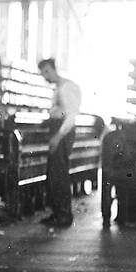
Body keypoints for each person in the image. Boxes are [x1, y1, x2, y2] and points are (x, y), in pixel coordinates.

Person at [38, 58, 82, 228]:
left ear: (52, 70)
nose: (45, 77)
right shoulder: (59, 88)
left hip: (63, 132)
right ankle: (57, 213)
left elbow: (71, 116)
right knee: (54, 174)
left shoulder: (66, 88)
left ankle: (64, 216)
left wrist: (58, 136)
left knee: (59, 174)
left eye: (45, 72)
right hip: (59, 130)